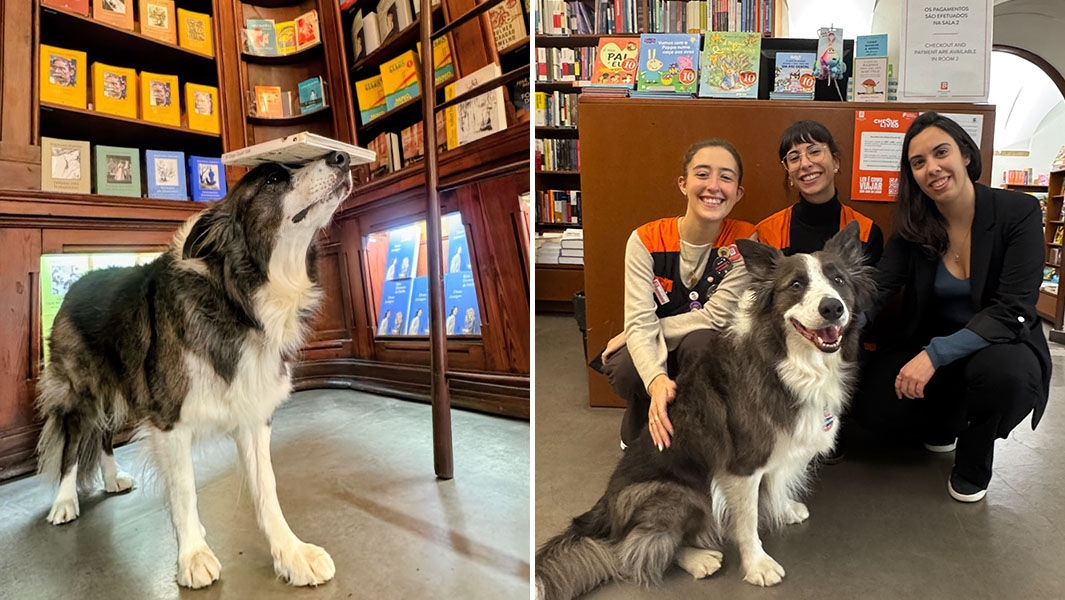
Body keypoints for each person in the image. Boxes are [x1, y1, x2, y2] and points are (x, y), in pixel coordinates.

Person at [854, 112, 1051, 503]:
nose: (932, 168)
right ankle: (944, 423)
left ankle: (975, 456)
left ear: (964, 153)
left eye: (940, 152)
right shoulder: (913, 225)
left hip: (1000, 346)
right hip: (932, 344)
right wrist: (837, 327)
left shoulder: (1018, 212)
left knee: (1003, 377)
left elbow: (1013, 309)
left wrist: (935, 354)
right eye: (918, 162)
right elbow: (877, 287)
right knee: (870, 410)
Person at [600, 139, 755, 452]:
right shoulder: (644, 239)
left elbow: (716, 316)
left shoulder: (745, 240)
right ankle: (643, 418)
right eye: (702, 174)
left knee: (704, 343)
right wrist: (656, 376)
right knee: (625, 367)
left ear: (738, 193)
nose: (713, 186)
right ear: (683, 184)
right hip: (653, 347)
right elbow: (640, 316)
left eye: (726, 177)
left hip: (699, 343)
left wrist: (635, 331)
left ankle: (697, 431)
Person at [755, 120, 883, 265]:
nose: (805, 164)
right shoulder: (767, 232)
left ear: (835, 161)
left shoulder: (865, 232)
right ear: (789, 173)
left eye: (814, 152)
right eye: (794, 158)